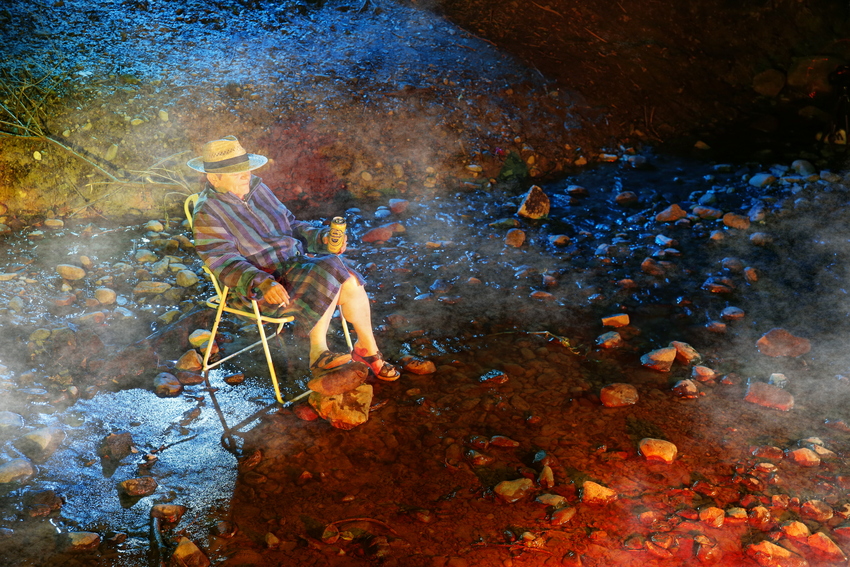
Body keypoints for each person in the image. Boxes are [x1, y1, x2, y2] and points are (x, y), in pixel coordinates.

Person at [186, 135, 399, 381]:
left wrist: (323, 238)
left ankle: (367, 350)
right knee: (333, 269)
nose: (245, 175)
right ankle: (318, 353)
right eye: (236, 172)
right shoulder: (208, 211)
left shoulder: (257, 188)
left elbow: (291, 224)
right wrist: (261, 282)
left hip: (295, 267)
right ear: (214, 178)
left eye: (245, 169)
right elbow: (221, 261)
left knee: (349, 279)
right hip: (262, 287)